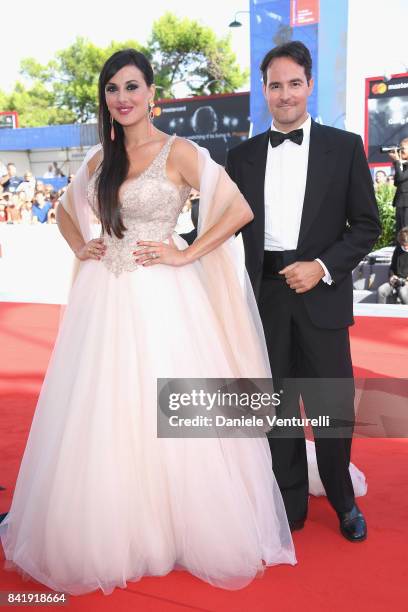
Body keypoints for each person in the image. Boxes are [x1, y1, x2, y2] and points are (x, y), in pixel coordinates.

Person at [0, 49, 295, 596]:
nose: (123, 98)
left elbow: (237, 210)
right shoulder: (98, 159)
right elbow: (67, 211)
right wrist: (81, 245)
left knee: (165, 407)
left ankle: (180, 527)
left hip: (163, 299)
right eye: (112, 90)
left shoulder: (179, 152)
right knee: (104, 409)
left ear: (152, 93)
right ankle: (118, 529)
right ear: (105, 100)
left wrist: (186, 253)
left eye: (132, 86)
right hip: (102, 299)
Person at [226, 41, 381, 541]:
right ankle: (288, 504)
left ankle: (342, 500)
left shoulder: (345, 146)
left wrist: (321, 266)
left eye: (295, 83)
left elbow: (365, 225)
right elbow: (218, 226)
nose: (285, 94)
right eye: (275, 85)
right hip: (264, 297)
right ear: (264, 92)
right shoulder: (242, 156)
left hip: (321, 294)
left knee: (330, 408)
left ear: (309, 85)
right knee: (274, 409)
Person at [377, 227, 408, 304]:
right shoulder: (397, 250)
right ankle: (380, 313)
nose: (405, 247)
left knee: (403, 293)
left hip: (406, 283)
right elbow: (392, 268)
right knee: (381, 291)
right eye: (403, 245)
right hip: (395, 281)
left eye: (406, 245)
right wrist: (392, 276)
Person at [388, 138, 408, 234]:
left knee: (405, 230)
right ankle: (400, 248)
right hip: (400, 201)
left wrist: (396, 161)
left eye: (403, 148)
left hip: (406, 202)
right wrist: (398, 163)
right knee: (400, 230)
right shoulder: (403, 164)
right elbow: (397, 182)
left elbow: (400, 178)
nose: (400, 151)